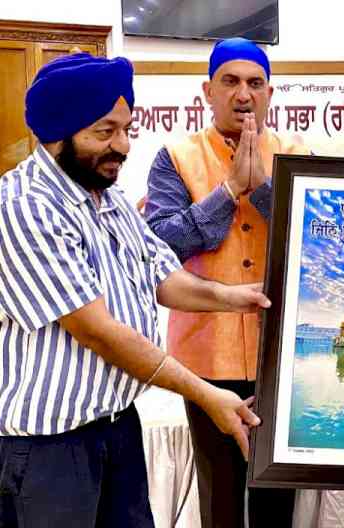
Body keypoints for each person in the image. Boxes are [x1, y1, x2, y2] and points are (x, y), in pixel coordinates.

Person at [0, 53, 269, 527]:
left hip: (117, 429)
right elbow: (99, 331)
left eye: (127, 129)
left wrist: (238, 296)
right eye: (105, 133)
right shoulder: (26, 208)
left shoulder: (110, 199)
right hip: (49, 450)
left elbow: (163, 276)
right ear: (57, 136)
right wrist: (206, 393)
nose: (122, 146)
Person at [144, 38, 308, 527]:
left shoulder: (295, 153)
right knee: (220, 500)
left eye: (254, 83)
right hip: (205, 355)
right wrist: (229, 190)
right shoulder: (175, 158)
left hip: (280, 353)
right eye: (230, 82)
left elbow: (312, 238)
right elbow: (160, 246)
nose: (243, 94)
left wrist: (262, 188)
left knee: (277, 497)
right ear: (207, 92)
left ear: (269, 93)